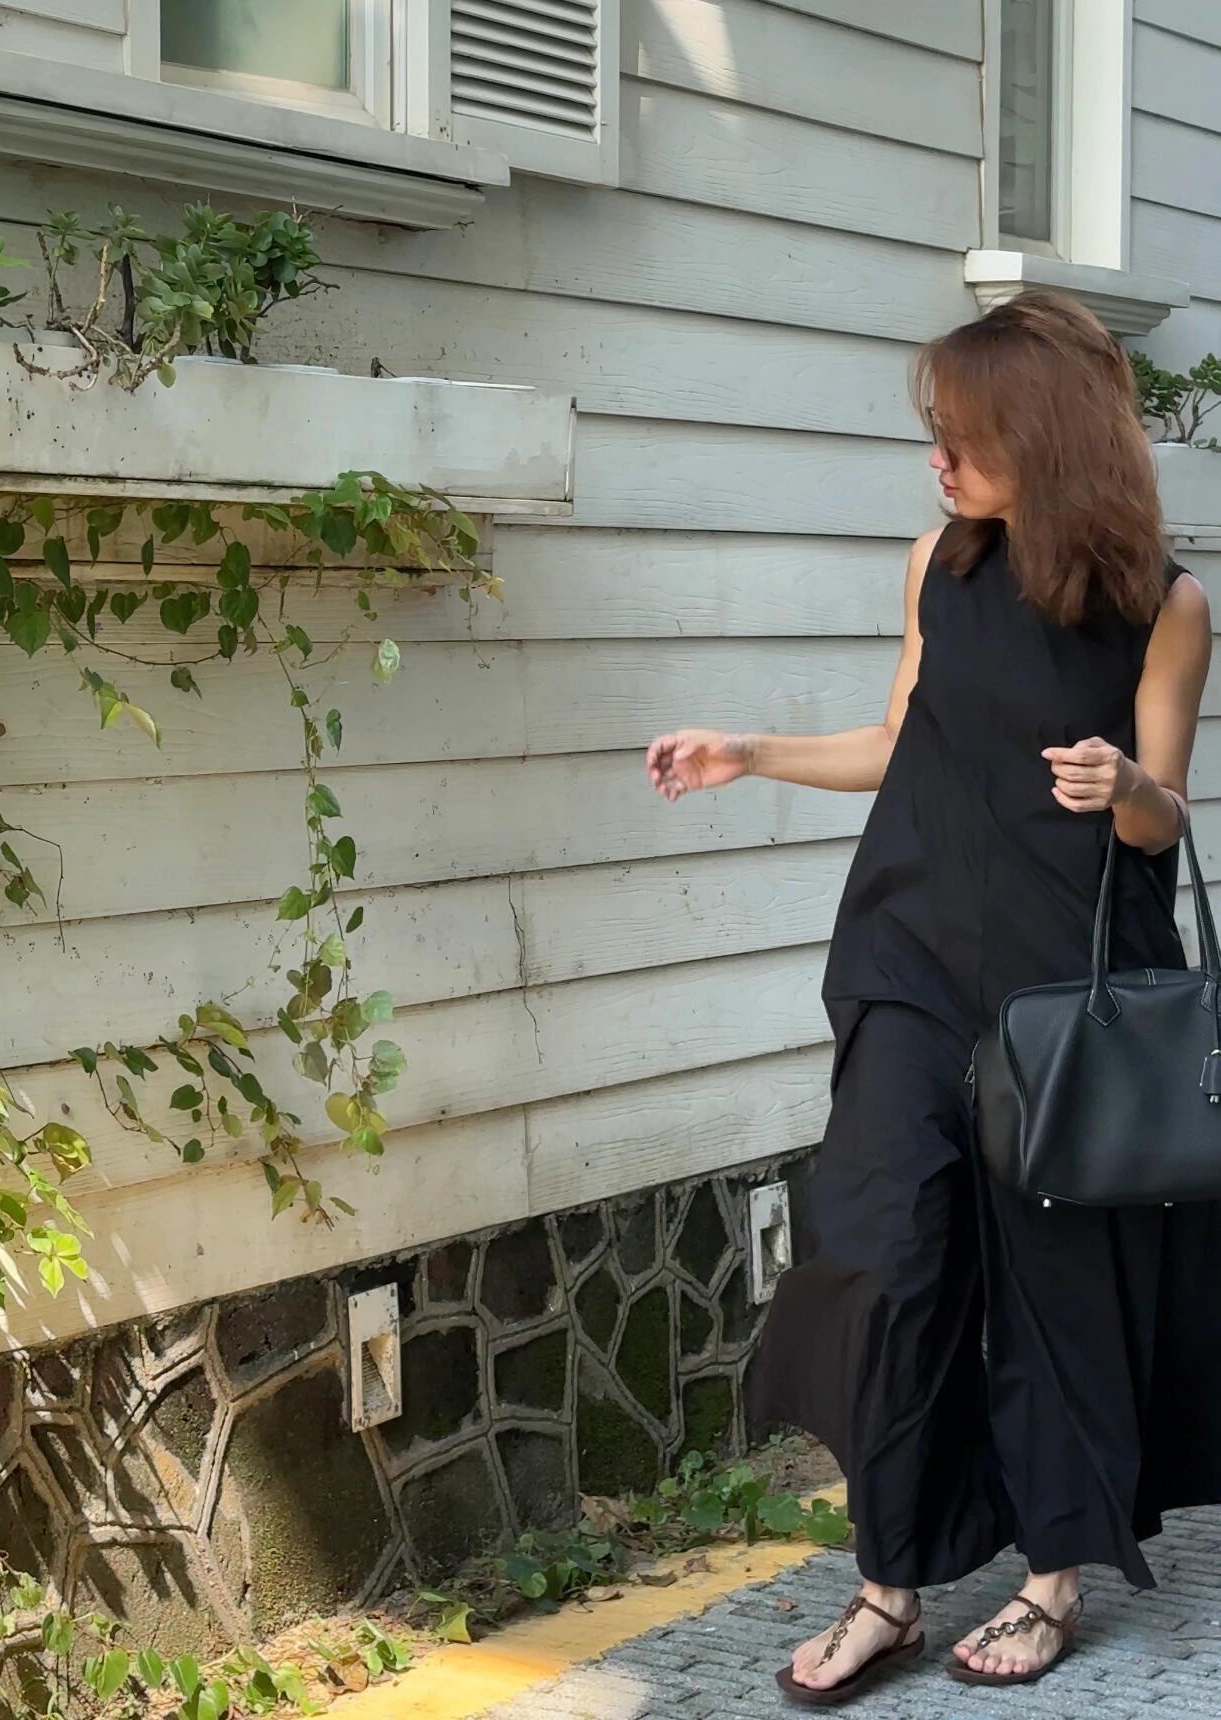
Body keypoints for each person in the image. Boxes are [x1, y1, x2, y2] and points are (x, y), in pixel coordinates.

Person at [645, 291, 1219, 1705]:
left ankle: (1050, 1578)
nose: (938, 463)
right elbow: (899, 738)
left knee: (1057, 1277)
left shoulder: (1164, 606)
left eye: (962, 439)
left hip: (1065, 992)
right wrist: (751, 751)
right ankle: (889, 1586)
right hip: (909, 961)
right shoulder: (936, 566)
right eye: (935, 437)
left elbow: (1162, 815)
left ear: (1048, 438)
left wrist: (1123, 785)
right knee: (883, 1257)